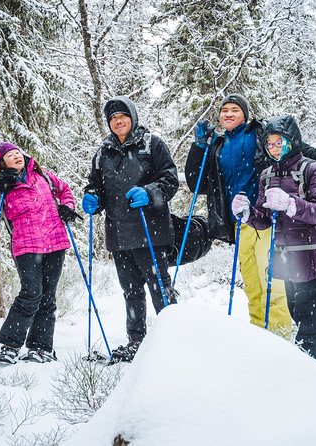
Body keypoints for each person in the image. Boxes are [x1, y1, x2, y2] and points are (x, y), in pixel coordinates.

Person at [185, 94, 316, 336]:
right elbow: (197, 184)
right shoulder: (217, 147)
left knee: (274, 286)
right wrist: (199, 148)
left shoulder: (260, 136)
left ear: (245, 115)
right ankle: (260, 338)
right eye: (224, 110)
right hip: (242, 222)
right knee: (253, 286)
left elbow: (305, 153)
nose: (228, 113)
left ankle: (280, 342)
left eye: (235, 109)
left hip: (270, 219)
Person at [233, 115, 316, 371]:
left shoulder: (312, 169)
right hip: (284, 257)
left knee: (309, 323)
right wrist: (248, 213)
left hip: (311, 254)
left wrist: (291, 204)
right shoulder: (267, 175)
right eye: (269, 143)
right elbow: (264, 220)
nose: (274, 148)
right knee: (302, 315)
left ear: (291, 141)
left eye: (279, 142)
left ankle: (312, 378)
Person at [83, 96, 179, 362]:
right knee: (131, 291)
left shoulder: (152, 145)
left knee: (159, 287)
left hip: (151, 231)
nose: (118, 121)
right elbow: (95, 184)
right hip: (118, 234)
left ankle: (174, 340)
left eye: (122, 116)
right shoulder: (103, 152)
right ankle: (136, 342)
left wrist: (150, 192)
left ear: (133, 117)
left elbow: (170, 179)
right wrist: (93, 197)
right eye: (113, 118)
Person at [0, 141, 77, 364]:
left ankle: (41, 347)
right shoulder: (3, 189)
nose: (16, 156)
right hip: (26, 246)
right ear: (1, 163)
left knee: (47, 297)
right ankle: (10, 346)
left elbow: (65, 191)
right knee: (31, 293)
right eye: (9, 155)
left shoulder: (43, 175)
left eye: (17, 153)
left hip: (56, 243)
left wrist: (67, 207)